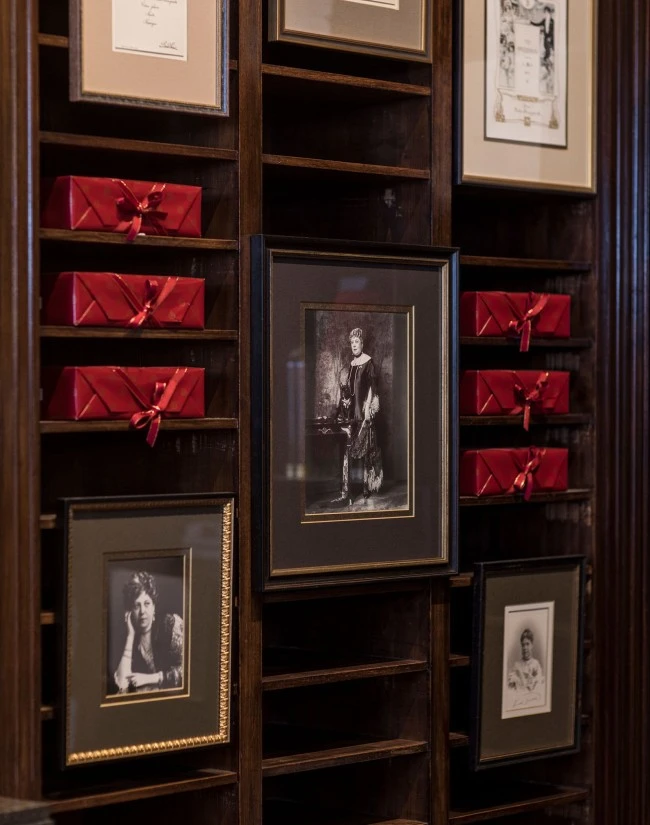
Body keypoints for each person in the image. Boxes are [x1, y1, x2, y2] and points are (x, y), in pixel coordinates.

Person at [331, 328, 383, 505]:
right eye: (352, 343)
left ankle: (366, 487)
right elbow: (350, 391)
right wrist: (345, 403)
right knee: (349, 449)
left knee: (367, 448)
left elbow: (372, 388)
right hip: (352, 413)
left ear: (362, 344)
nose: (354, 345)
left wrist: (369, 407)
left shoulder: (369, 362)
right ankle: (348, 488)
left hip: (364, 411)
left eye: (356, 342)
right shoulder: (352, 365)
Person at [113, 571, 183, 694]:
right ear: (129, 611)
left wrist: (150, 678)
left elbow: (189, 670)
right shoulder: (127, 638)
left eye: (147, 604)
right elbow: (121, 683)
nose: (142, 611)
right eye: (136, 606)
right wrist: (130, 635)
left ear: (154, 606)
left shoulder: (170, 625)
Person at [507, 628, 544, 694]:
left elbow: (539, 687)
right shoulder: (516, 665)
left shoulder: (536, 664)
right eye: (523, 645)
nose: (525, 648)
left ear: (532, 645)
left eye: (527, 644)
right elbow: (510, 689)